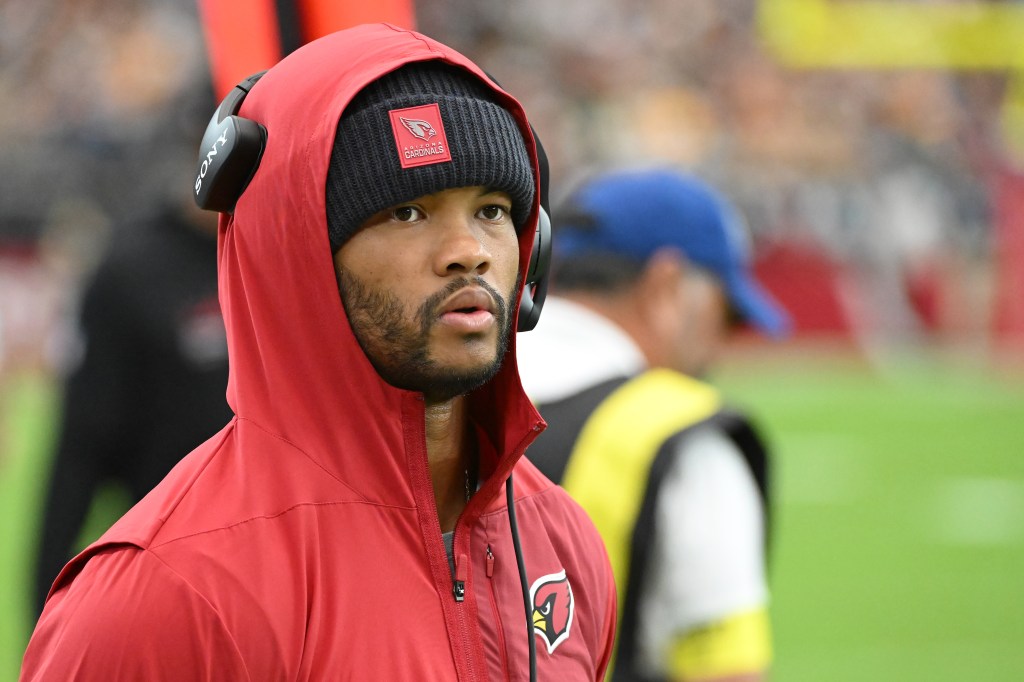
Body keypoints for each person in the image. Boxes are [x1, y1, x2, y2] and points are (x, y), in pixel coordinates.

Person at [21, 23, 616, 681]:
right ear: (297, 259)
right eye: (408, 213)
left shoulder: (561, 539)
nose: (469, 250)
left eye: (494, 210)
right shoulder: (166, 592)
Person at [517, 168, 791, 682]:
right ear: (667, 285)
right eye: (727, 314)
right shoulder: (685, 442)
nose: (724, 343)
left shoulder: (439, 395)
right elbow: (727, 673)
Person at [32, 199, 230, 617]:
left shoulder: (297, 252)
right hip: (177, 581)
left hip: (299, 564)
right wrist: (45, 602)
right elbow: (84, 442)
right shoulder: (133, 270)